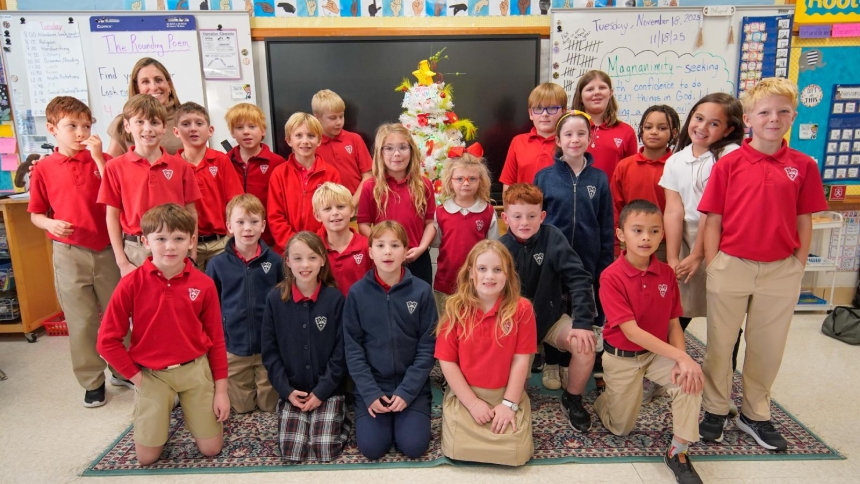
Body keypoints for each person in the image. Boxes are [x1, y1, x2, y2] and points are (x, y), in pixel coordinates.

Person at [698, 78, 827, 451]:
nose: (774, 118)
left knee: (767, 346)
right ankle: (715, 408)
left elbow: (805, 218)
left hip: (781, 269)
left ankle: (756, 412)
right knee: (721, 343)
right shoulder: (729, 164)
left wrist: (798, 262)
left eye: (783, 112)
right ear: (749, 119)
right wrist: (714, 262)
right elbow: (713, 218)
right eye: (765, 112)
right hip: (732, 265)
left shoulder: (803, 166)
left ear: (793, 117)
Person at [97, 204, 229, 466]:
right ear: (145, 241)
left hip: (194, 370)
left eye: (179, 239)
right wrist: (137, 379)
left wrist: (221, 391)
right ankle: (156, 419)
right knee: (147, 458)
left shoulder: (204, 283)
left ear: (191, 241)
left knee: (211, 449)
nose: (170, 247)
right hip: (151, 375)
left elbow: (216, 339)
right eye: (161, 239)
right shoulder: (131, 283)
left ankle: (185, 413)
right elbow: (107, 340)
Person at [595, 200, 704, 484]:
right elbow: (631, 332)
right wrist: (681, 358)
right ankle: (604, 399)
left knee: (690, 381)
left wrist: (683, 359)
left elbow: (672, 322)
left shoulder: (667, 273)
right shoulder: (611, 277)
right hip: (621, 356)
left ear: (662, 235)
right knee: (621, 428)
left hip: (655, 355)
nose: (646, 237)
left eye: (654, 231)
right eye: (638, 230)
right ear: (621, 235)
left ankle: (677, 451)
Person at [28, 96, 124, 407]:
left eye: (86, 125)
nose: (81, 132)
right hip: (70, 253)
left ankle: (121, 367)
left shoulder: (104, 160)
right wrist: (48, 224)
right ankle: (92, 380)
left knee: (117, 314)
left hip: (107, 248)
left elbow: (115, 193)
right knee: (82, 320)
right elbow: (36, 213)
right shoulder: (43, 169)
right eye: (72, 126)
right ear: (52, 129)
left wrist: (98, 158)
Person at [500, 183, 597, 430]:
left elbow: (580, 279)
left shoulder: (553, 237)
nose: (524, 222)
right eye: (517, 216)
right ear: (505, 217)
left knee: (585, 346)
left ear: (542, 216)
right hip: (515, 327)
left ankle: (572, 398)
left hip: (550, 319)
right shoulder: (500, 248)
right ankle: (516, 395)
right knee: (516, 394)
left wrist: (584, 324)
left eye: (532, 216)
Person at [435, 240, 536, 466]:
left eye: (497, 269)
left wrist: (509, 405)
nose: (489, 276)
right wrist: (471, 403)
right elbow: (447, 361)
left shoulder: (522, 309)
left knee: (517, 455)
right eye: (482, 269)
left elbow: (522, 360)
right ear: (471, 273)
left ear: (508, 274)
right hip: (466, 394)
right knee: (456, 449)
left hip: (506, 393)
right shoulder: (454, 308)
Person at [343, 221, 437, 460]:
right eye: (381, 245)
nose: (387, 251)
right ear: (370, 252)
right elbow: (353, 349)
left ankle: (408, 415)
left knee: (414, 447)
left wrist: (407, 392)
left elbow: (427, 347)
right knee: (373, 449)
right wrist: (370, 392)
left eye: (395, 245)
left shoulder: (422, 291)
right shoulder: (357, 293)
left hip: (411, 386)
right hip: (372, 387)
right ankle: (378, 413)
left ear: (406, 251)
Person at [534, 110, 613, 392]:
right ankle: (553, 362)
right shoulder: (544, 177)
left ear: (590, 138)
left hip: (588, 262)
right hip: (553, 263)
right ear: (557, 139)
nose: (575, 139)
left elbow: (606, 225)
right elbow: (535, 221)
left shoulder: (599, 179)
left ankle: (570, 365)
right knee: (554, 309)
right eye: (568, 134)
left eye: (581, 134)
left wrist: (605, 265)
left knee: (581, 310)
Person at [261, 231, 351, 462]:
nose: (305, 265)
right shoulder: (274, 299)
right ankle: (305, 417)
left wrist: (322, 392)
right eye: (298, 258)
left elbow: (341, 353)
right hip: (294, 390)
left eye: (312, 257)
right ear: (288, 262)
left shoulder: (335, 299)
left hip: (328, 389)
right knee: (292, 452)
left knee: (324, 450)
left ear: (322, 260)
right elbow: (270, 353)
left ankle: (341, 417)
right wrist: (286, 391)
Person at [659, 93, 744, 332]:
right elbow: (674, 210)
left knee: (724, 313)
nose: (702, 127)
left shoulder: (730, 156)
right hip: (687, 234)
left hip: (722, 238)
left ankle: (723, 367)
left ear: (728, 130)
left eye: (714, 123)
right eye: (699, 118)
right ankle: (671, 362)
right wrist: (673, 257)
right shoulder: (676, 160)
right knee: (682, 306)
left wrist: (699, 255)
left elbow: (713, 211)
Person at [97, 94, 201, 277]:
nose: (148, 129)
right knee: (142, 304)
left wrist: (191, 254)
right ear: (128, 126)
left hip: (175, 246)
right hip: (135, 250)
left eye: (154, 122)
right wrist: (122, 262)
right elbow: (111, 216)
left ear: (163, 128)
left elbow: (191, 212)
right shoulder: (115, 167)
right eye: (140, 122)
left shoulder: (181, 166)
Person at [206, 194, 283, 414]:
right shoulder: (217, 264)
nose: (247, 228)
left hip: (267, 346)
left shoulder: (275, 261)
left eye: (254, 222)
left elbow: (283, 301)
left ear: (263, 226)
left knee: (269, 406)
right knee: (241, 408)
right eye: (240, 222)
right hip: (234, 348)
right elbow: (211, 307)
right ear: (229, 226)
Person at [357, 124, 436, 286]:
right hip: (385, 261)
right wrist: (383, 247)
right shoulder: (370, 186)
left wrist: (421, 248)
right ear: (380, 153)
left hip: (417, 259)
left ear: (411, 151)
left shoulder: (424, 184)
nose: (397, 154)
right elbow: (363, 225)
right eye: (389, 148)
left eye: (403, 147)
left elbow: (430, 223)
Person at [174, 102, 244, 270]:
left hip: (220, 243)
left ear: (210, 130)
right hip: (186, 246)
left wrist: (229, 237)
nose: (193, 129)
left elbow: (235, 202)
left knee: (222, 293)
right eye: (185, 124)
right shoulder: (171, 166)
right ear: (176, 132)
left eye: (199, 123)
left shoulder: (221, 160)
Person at [432, 151, 499, 315]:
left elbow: (494, 248)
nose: (466, 183)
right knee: (446, 325)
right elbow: (436, 243)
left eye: (472, 179)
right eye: (460, 179)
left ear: (480, 181)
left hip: (478, 285)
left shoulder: (488, 212)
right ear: (450, 181)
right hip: (446, 283)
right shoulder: (441, 212)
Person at [612, 105, 681, 261]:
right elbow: (615, 206)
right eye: (648, 127)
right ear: (641, 130)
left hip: (664, 244)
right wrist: (617, 244)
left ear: (674, 133)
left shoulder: (677, 165)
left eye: (662, 128)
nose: (654, 132)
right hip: (629, 241)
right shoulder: (625, 166)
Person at [267, 112, 342, 255]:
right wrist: (293, 245)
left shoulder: (331, 174)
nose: (305, 141)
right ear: (289, 140)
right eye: (298, 136)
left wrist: (314, 244)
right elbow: (275, 216)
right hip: (286, 251)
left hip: (321, 250)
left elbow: (334, 215)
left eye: (311, 136)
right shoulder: (279, 174)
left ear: (319, 140)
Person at [225, 103, 288, 248]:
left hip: (269, 240)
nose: (246, 132)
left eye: (252, 127)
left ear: (263, 130)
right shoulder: (225, 162)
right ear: (232, 133)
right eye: (239, 128)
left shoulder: (277, 163)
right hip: (235, 240)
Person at [107, 58, 183, 157]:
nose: (154, 87)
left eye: (158, 80)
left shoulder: (187, 118)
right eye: (145, 82)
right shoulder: (122, 122)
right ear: (137, 88)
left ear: (169, 85)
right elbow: (109, 168)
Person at [571, 70, 638, 180]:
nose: (597, 92)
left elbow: (631, 174)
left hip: (612, 196)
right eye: (589, 89)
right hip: (575, 195)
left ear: (610, 93)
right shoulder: (569, 130)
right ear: (580, 96)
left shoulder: (626, 131)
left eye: (602, 88)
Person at [499, 83, 568, 190]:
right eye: (539, 108)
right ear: (531, 114)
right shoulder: (518, 142)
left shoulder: (570, 143)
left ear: (564, 112)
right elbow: (508, 185)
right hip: (524, 206)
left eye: (552, 108)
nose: (545, 114)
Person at [312, 89, 373, 204]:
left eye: (341, 116)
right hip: (327, 209)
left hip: (358, 207)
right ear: (317, 117)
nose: (339, 122)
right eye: (333, 118)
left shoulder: (355, 139)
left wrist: (353, 203)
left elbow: (368, 176)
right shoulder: (313, 145)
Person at [312, 182, 371, 295]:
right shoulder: (313, 249)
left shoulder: (367, 246)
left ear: (352, 210)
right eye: (327, 208)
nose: (335, 213)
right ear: (317, 215)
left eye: (341, 207)